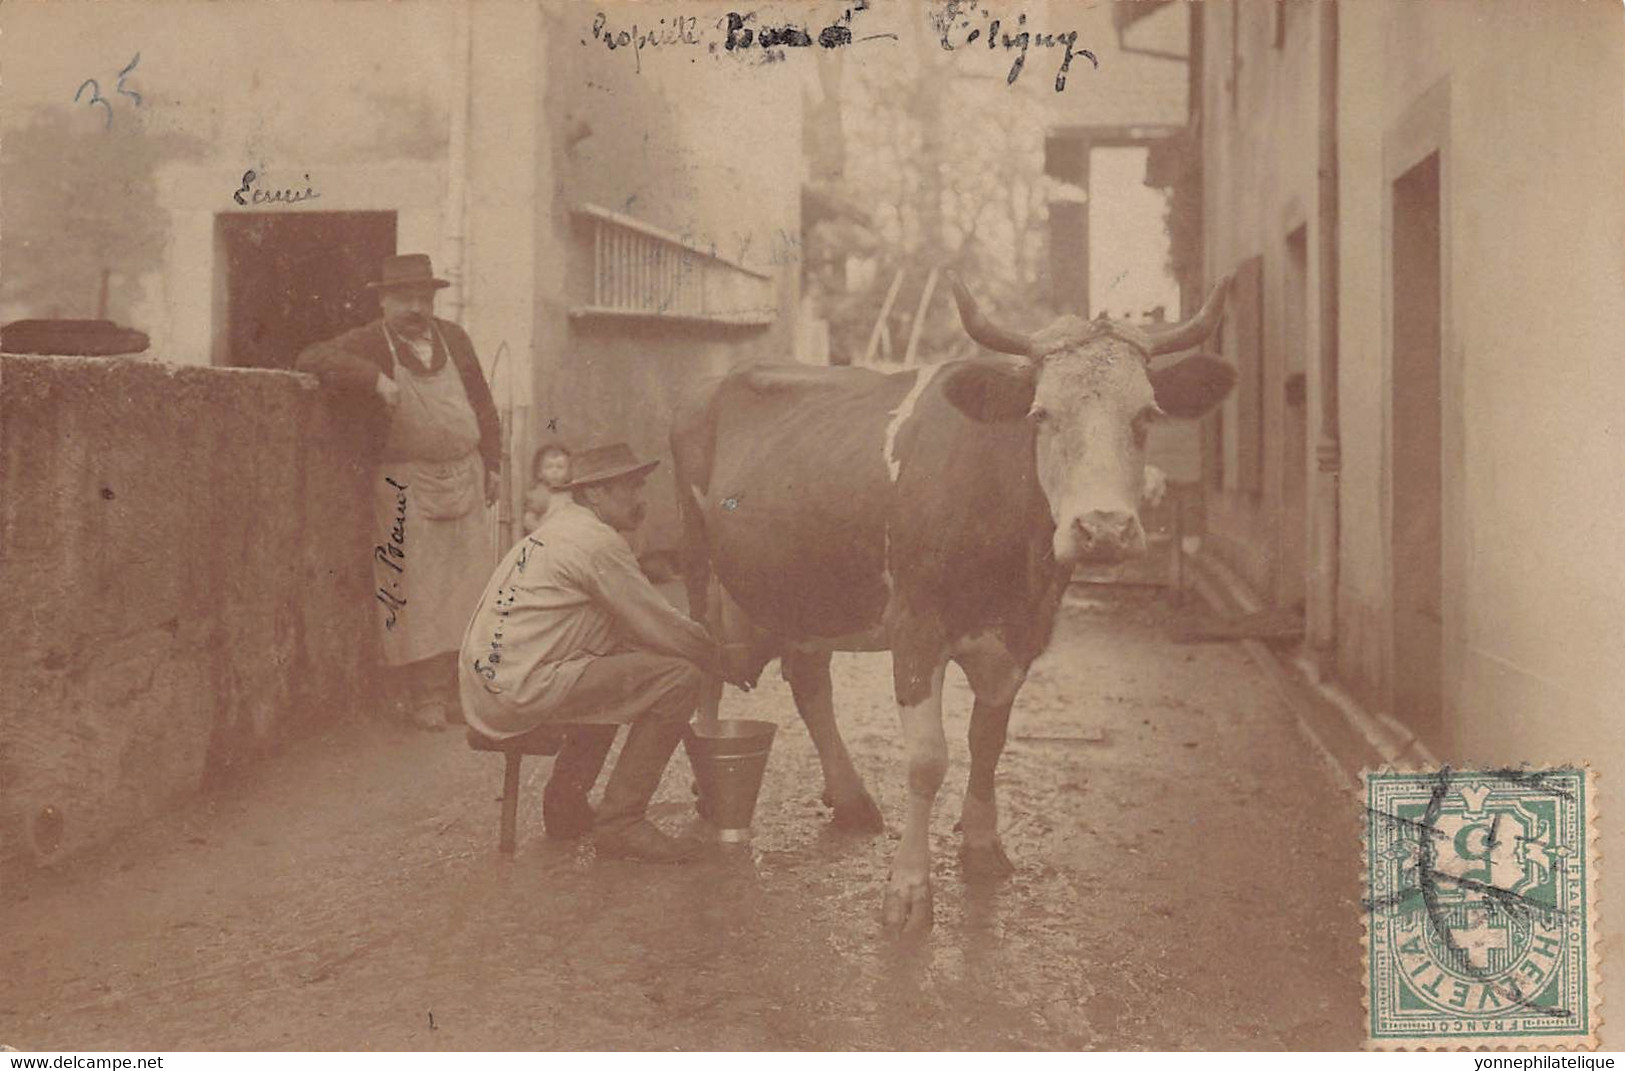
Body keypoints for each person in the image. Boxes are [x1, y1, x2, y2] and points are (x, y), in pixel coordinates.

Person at [459, 442, 747, 863]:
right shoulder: (595, 541)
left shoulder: (562, 528)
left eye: (639, 486)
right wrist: (719, 657)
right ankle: (622, 822)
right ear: (595, 494)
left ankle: (565, 805)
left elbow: (634, 629)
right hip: (520, 687)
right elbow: (658, 623)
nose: (640, 499)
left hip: (494, 681)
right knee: (677, 677)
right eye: (628, 488)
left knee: (617, 668)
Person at [296, 253, 501, 731]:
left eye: (424, 297)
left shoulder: (454, 338)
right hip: (406, 482)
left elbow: (483, 403)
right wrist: (375, 378)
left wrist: (492, 462)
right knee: (416, 590)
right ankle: (425, 696)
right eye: (405, 297)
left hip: (465, 476)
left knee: (467, 587)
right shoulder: (369, 342)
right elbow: (311, 357)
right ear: (385, 301)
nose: (416, 307)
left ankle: (456, 693)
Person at [522, 443, 572, 532]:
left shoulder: (571, 492)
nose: (554, 471)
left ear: (568, 472)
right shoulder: (541, 493)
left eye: (560, 467)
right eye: (548, 467)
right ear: (540, 473)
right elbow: (528, 521)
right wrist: (545, 531)